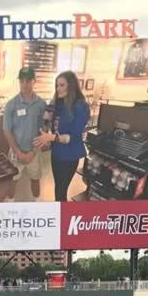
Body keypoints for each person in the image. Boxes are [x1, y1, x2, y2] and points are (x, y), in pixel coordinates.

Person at [35, 70, 89, 203]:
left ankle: (61, 216)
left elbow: (74, 137)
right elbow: (46, 120)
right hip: (57, 153)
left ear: (71, 86)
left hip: (70, 155)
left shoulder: (81, 106)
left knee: (61, 188)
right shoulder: (57, 102)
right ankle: (58, 212)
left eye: (61, 85)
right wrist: (45, 129)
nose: (58, 88)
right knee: (58, 187)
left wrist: (51, 138)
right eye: (57, 85)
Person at [2, 66, 49, 202]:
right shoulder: (11, 105)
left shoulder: (41, 104)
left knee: (35, 180)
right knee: (12, 181)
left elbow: (44, 130)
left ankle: (35, 203)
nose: (25, 84)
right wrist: (18, 153)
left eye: (28, 81)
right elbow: (7, 130)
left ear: (34, 81)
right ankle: (10, 206)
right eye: (22, 81)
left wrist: (33, 152)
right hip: (16, 152)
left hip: (34, 152)